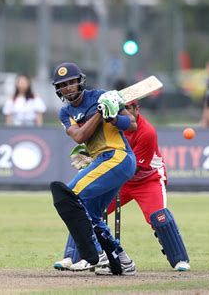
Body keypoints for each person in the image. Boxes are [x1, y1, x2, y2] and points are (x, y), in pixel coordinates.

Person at [54, 99, 191, 273]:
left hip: (147, 179)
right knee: (85, 209)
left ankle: (180, 259)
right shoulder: (111, 123)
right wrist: (91, 159)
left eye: (127, 109)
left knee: (159, 217)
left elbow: (135, 166)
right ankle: (71, 256)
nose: (122, 112)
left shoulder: (147, 132)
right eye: (120, 108)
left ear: (137, 109)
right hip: (120, 178)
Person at [50, 62, 137, 276]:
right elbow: (80, 136)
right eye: (63, 85)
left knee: (69, 196)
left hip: (118, 156)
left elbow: (133, 123)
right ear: (58, 89)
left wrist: (114, 118)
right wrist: (100, 113)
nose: (68, 88)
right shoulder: (65, 113)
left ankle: (96, 255)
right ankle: (122, 260)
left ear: (80, 81)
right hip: (101, 160)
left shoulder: (102, 95)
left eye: (71, 82)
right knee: (91, 214)